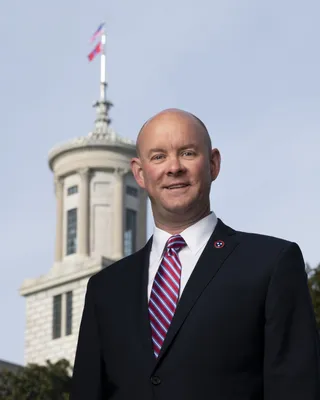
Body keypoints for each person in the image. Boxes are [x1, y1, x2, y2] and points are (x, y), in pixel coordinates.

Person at [70, 108, 320, 400]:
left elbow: (296, 388)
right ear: (139, 173)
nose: (174, 167)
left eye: (187, 153)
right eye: (159, 156)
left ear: (213, 164)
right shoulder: (106, 288)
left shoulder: (271, 263)